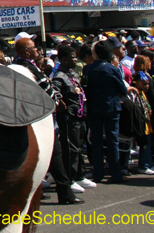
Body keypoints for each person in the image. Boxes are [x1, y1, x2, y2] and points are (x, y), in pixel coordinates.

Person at [11, 38, 83, 204]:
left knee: (43, 156)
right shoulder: (26, 67)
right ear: (27, 52)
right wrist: (58, 101)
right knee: (54, 154)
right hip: (39, 118)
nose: (38, 50)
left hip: (34, 117)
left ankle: (44, 191)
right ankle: (65, 193)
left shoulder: (23, 65)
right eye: (34, 48)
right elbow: (46, 89)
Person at [83, 40, 129, 184]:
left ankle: (98, 172)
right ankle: (116, 173)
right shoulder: (112, 69)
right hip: (111, 107)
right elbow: (122, 89)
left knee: (96, 141)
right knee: (112, 140)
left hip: (94, 107)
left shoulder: (88, 69)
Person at [53, 45, 94, 191]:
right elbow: (55, 96)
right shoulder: (59, 77)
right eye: (72, 57)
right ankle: (69, 178)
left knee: (78, 146)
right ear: (64, 60)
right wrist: (64, 107)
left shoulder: (72, 74)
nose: (75, 59)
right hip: (69, 118)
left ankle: (80, 175)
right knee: (70, 148)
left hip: (80, 116)